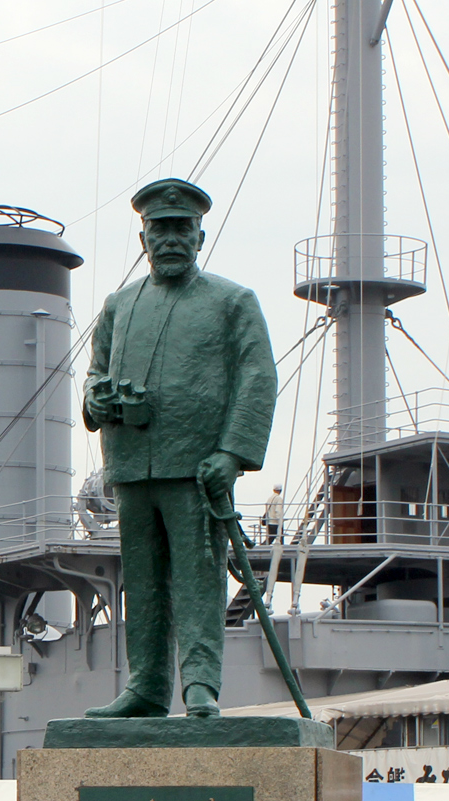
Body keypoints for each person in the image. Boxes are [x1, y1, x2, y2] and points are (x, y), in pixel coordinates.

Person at [80, 178, 277, 719]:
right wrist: (96, 401)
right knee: (141, 584)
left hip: (195, 466)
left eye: (180, 228)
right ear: (143, 237)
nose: (170, 239)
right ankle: (146, 685)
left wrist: (232, 453)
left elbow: (258, 377)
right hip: (131, 466)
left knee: (197, 579)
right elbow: (97, 373)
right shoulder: (119, 306)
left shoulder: (231, 301)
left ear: (200, 235)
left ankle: (200, 687)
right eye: (159, 228)